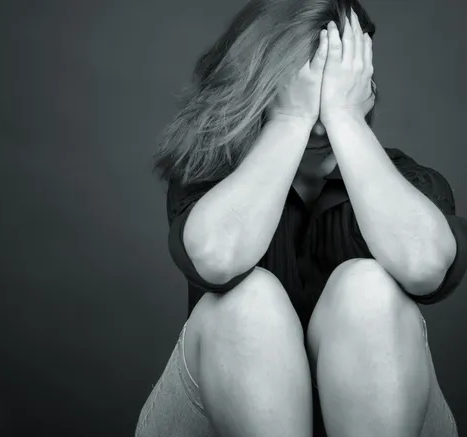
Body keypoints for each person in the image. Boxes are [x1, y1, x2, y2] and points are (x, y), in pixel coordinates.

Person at [136, 0, 467, 436]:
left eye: (333, 92)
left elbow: (424, 266)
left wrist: (345, 118)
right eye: (299, 93)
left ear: (362, 85)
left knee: (368, 289)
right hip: (214, 418)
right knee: (245, 300)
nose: (317, 127)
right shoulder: (213, 178)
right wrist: (290, 118)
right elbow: (217, 258)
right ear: (258, 92)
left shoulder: (408, 184)